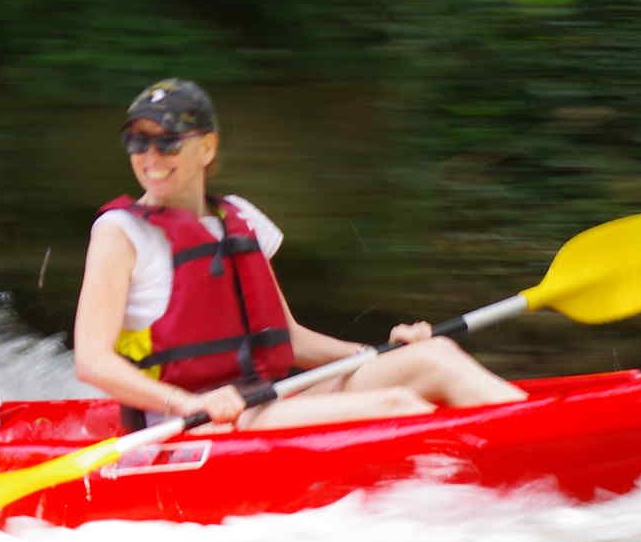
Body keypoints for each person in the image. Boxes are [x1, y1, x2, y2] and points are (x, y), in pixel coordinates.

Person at [72, 79, 527, 432]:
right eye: (138, 142)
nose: (150, 157)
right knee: (397, 405)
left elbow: (288, 339)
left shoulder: (240, 217)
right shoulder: (121, 233)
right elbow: (92, 361)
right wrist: (189, 402)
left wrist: (378, 353)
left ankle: (537, 434)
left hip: (262, 399)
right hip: (188, 421)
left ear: (206, 147)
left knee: (434, 356)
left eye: (167, 141)